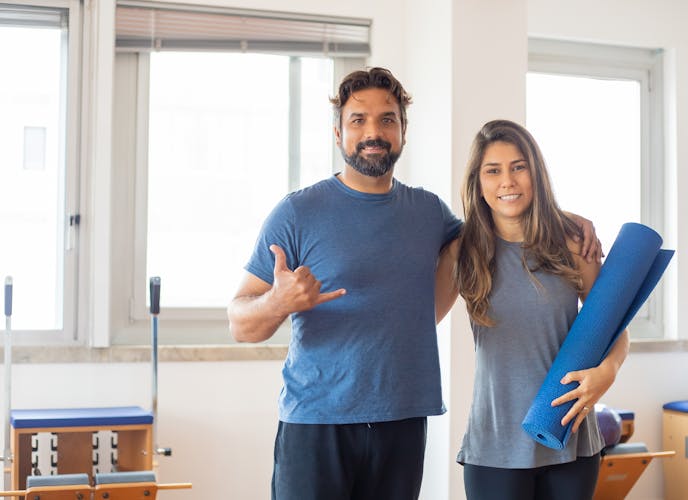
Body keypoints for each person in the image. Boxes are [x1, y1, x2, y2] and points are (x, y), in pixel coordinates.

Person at [227, 68, 600, 500]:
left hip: (402, 422)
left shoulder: (428, 213)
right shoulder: (297, 213)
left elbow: (500, 221)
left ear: (403, 131)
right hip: (317, 423)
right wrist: (277, 302)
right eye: (358, 120)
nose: (374, 132)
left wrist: (565, 219)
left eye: (387, 119)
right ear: (337, 133)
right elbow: (239, 323)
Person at [453, 119, 630, 500]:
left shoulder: (572, 241)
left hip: (570, 437)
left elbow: (616, 326)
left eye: (519, 167)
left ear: (536, 173)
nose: (508, 181)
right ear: (478, 183)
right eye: (493, 170)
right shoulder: (463, 249)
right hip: (495, 443)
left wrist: (607, 373)